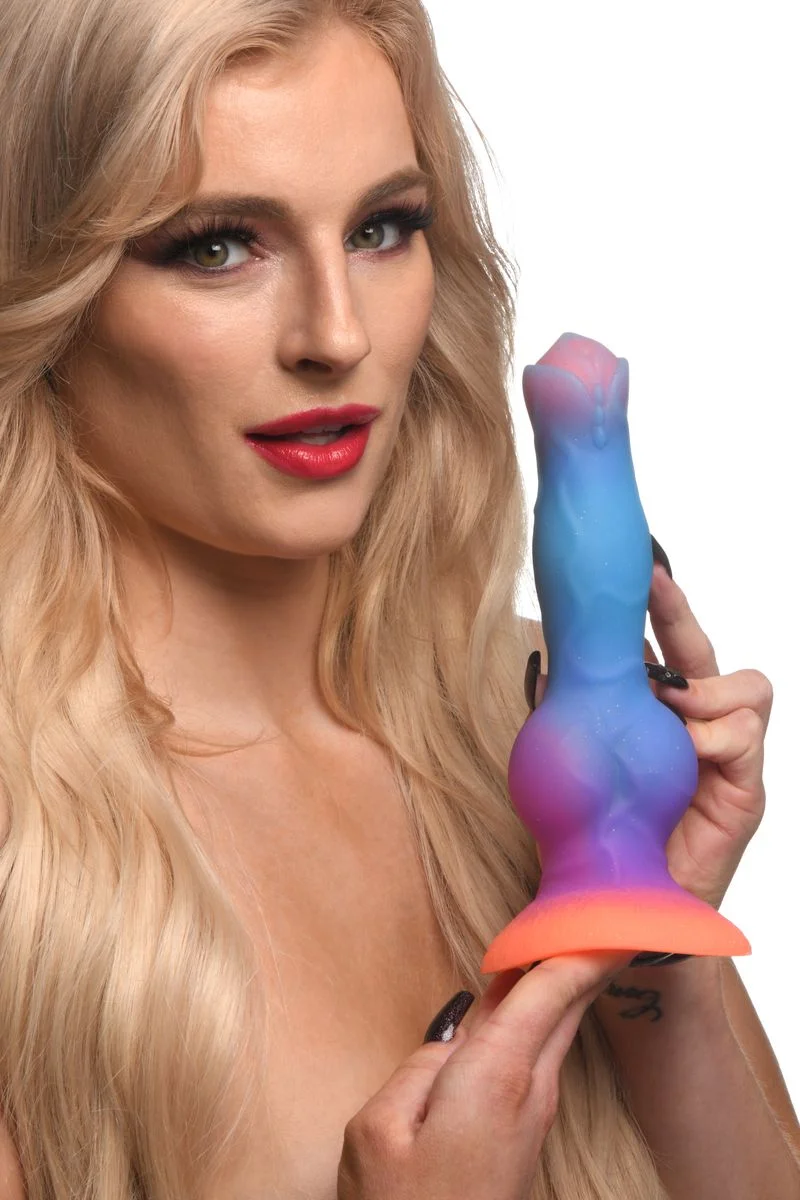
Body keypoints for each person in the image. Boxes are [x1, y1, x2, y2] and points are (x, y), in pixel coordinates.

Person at [1, 1, 798, 1197]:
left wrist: (648, 958)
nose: (337, 335)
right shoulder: (28, 861)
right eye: (216, 246)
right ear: (47, 286)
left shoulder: (523, 729)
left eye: (382, 228)